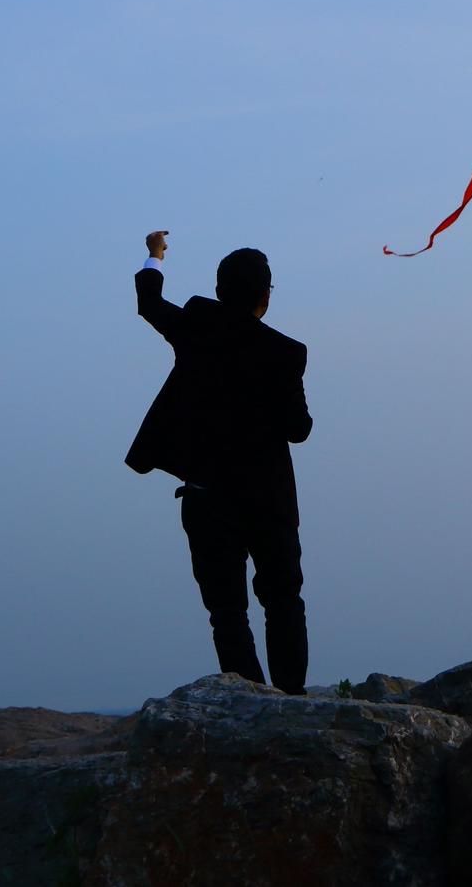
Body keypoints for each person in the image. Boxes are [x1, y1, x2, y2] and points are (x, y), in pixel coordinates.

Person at [126, 230, 314, 694]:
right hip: (268, 498)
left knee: (227, 611)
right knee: (283, 599)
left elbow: (149, 303)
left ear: (218, 290)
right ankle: (290, 697)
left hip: (208, 496)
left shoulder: (198, 324)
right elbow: (299, 429)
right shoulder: (286, 353)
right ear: (265, 297)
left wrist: (155, 256)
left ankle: (249, 698)